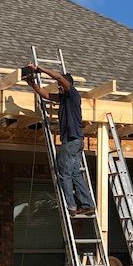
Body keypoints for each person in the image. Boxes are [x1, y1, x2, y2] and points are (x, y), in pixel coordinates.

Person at [25, 62, 95, 216]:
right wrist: (31, 83)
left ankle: (71, 206)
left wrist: (40, 69)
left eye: (60, 84)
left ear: (67, 83)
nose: (58, 86)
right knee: (75, 174)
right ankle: (87, 204)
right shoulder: (64, 98)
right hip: (76, 141)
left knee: (64, 173)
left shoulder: (73, 94)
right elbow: (45, 95)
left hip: (71, 141)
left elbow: (58, 76)